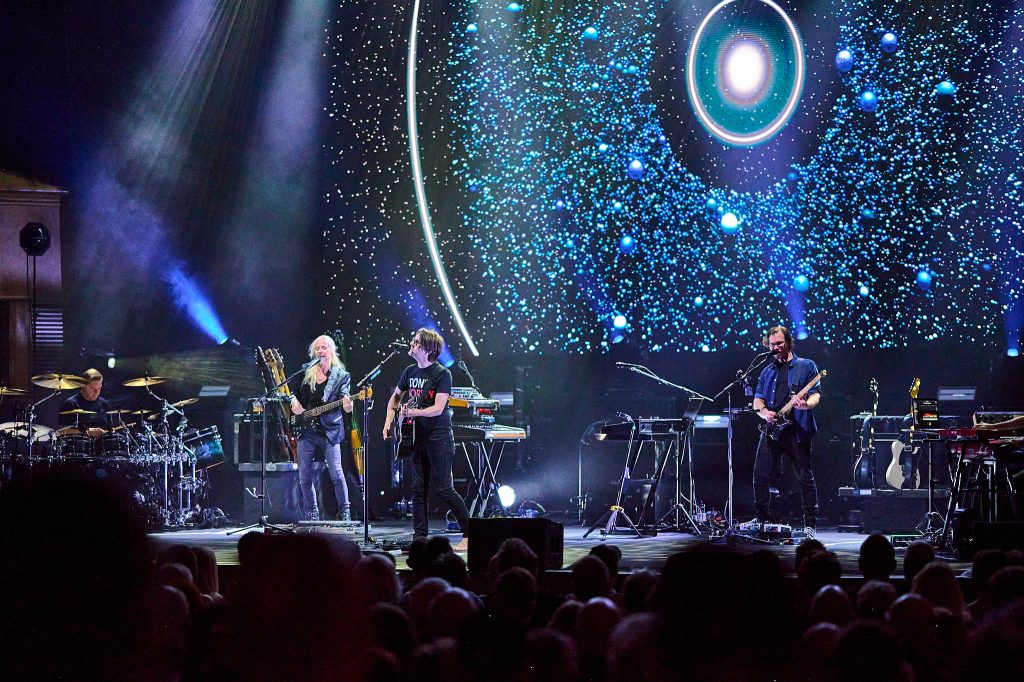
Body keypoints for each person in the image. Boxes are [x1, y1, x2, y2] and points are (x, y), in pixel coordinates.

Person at [383, 328, 470, 552]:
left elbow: (438, 408)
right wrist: (388, 421)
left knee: (445, 488)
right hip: (417, 438)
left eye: (416, 342)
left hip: (439, 438)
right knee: (418, 490)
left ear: (428, 348)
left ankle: (470, 533)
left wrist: (413, 412)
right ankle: (419, 538)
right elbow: (395, 397)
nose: (411, 344)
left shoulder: (442, 374)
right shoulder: (409, 371)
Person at [750, 325, 821, 536]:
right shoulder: (767, 371)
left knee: (804, 477)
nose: (776, 347)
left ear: (788, 342)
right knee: (759, 476)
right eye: (772, 344)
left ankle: (810, 523)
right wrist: (764, 413)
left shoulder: (805, 366)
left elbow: (816, 395)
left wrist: (805, 405)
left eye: (780, 343)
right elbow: (757, 400)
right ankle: (763, 519)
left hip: (796, 431)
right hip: (772, 430)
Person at [288, 335, 353, 521]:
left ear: (332, 351)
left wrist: (348, 406)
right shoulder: (305, 372)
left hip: (330, 431)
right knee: (304, 475)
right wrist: (293, 401)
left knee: (337, 474)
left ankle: (345, 512)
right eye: (317, 348)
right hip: (306, 430)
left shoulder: (341, 376)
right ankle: (312, 513)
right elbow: (291, 392)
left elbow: (345, 398)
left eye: (324, 347)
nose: (320, 351)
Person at [59, 368, 111, 437]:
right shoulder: (71, 404)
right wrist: (88, 432)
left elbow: (110, 429)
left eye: (99, 388)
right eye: (92, 388)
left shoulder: (104, 404)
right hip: (79, 443)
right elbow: (61, 431)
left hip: (101, 443)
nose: (96, 392)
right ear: (83, 386)